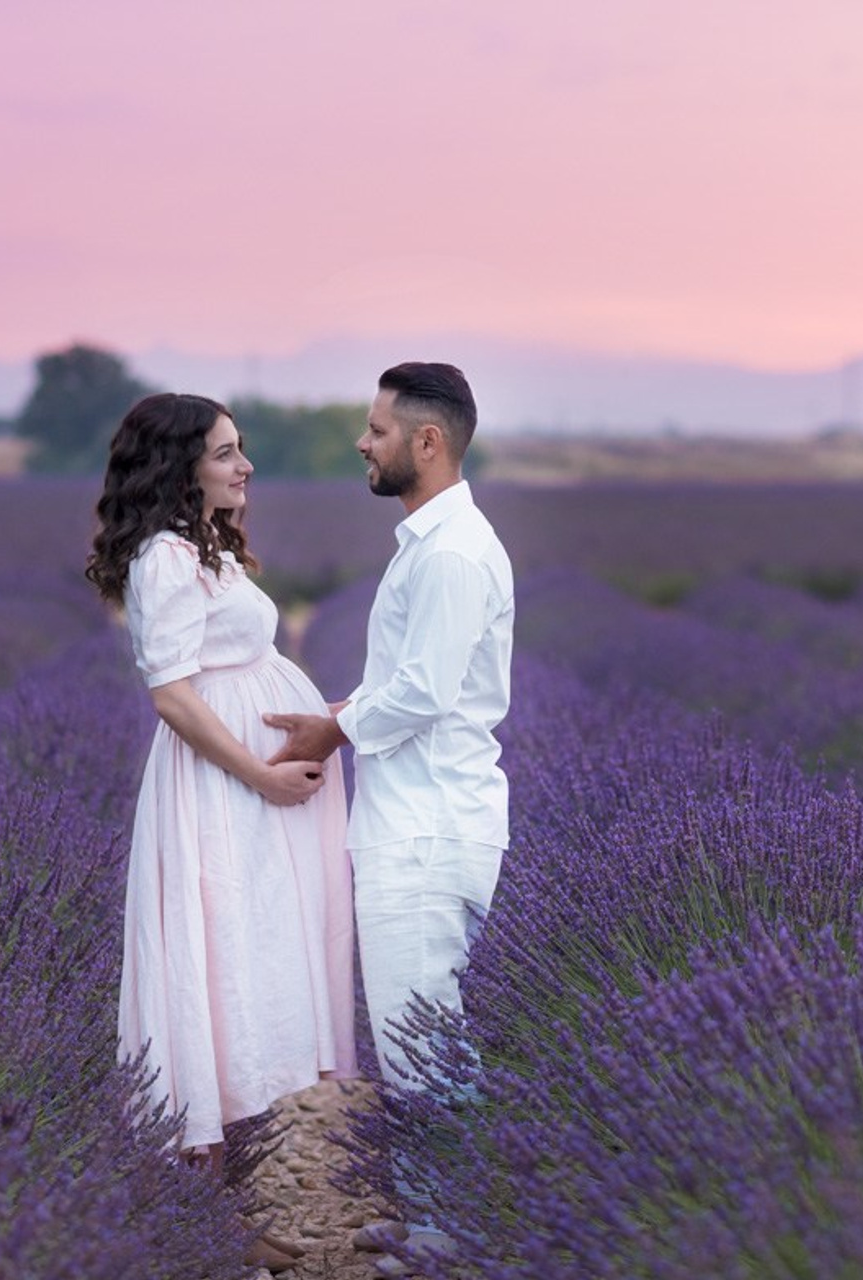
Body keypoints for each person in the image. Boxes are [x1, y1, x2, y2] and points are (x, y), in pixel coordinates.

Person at [86, 392, 357, 1273]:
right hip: (221, 791)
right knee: (214, 972)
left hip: (249, 795)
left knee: (243, 972)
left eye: (241, 451)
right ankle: (201, 1221)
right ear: (179, 466)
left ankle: (217, 1212)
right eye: (226, 453)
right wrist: (260, 772)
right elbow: (171, 695)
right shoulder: (166, 557)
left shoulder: (208, 547)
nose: (245, 467)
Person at [263, 362, 513, 1270]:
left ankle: (454, 1235)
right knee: (415, 1030)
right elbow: (406, 686)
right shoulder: (430, 544)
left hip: (429, 826)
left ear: (427, 441)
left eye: (376, 429)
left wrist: (331, 730)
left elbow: (422, 694)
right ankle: (428, 1210)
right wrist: (337, 713)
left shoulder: (448, 553)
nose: (363, 444)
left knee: (425, 1037)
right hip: (420, 818)